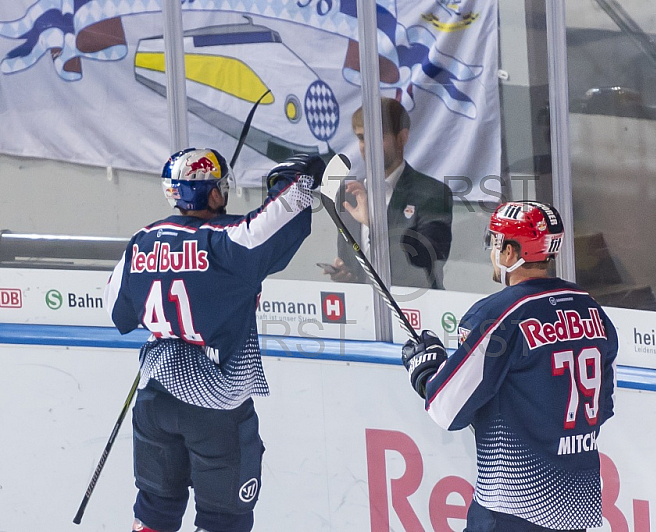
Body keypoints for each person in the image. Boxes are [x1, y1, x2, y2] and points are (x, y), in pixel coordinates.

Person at [103, 148, 325, 532]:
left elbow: (115, 311)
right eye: (221, 187)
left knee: (154, 511)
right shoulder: (225, 243)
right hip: (215, 407)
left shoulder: (141, 241)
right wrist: (300, 177)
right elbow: (281, 214)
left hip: (154, 399)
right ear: (214, 194)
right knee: (224, 520)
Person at [401, 201, 618, 532]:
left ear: (511, 252)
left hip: (512, 511)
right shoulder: (592, 312)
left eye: (496, 243)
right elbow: (600, 408)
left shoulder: (499, 315)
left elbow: (447, 409)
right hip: (575, 506)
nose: (492, 253)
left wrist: (427, 373)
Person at [325, 97, 453, 289]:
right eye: (361, 137)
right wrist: (346, 276)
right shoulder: (348, 195)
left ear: (402, 138)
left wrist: (376, 223)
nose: (367, 145)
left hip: (415, 309)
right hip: (363, 309)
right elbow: (351, 261)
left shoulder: (432, 194)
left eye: (377, 137)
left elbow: (428, 259)